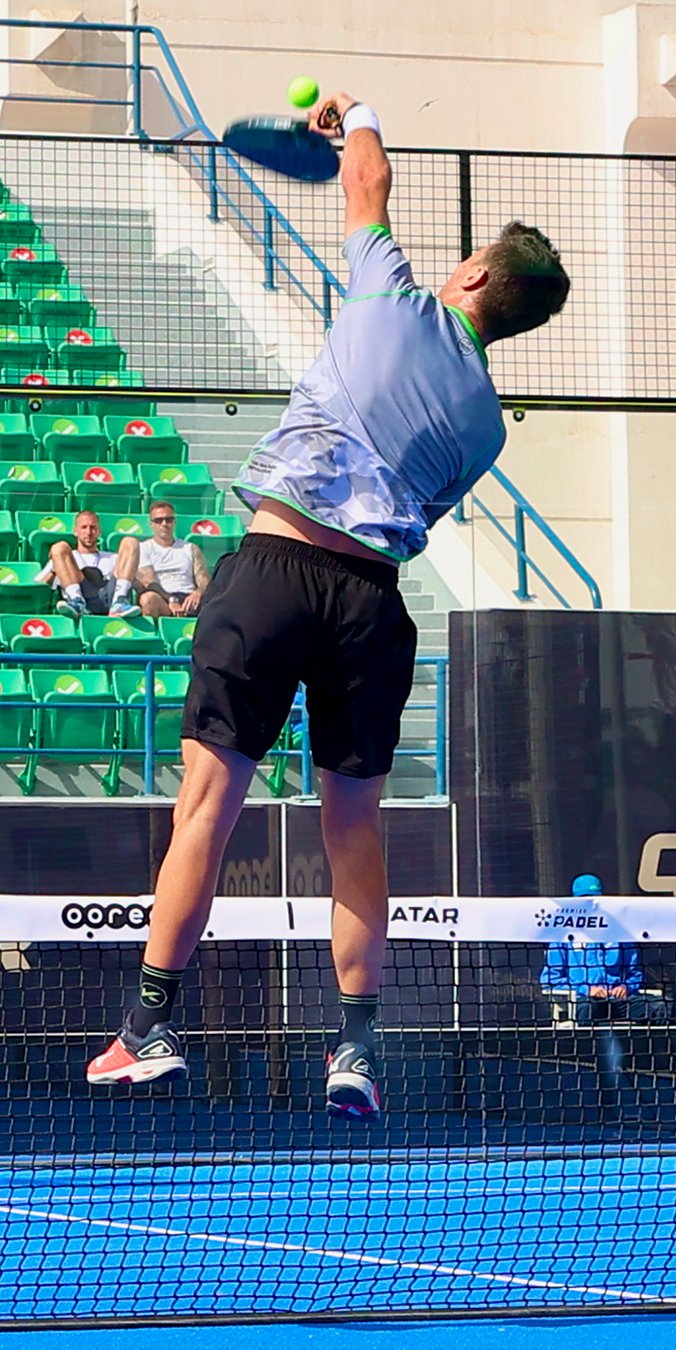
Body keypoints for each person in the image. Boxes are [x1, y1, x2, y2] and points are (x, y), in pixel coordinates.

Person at [86, 89, 570, 1119]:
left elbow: (366, 180)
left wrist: (358, 113)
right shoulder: (488, 428)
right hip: (372, 604)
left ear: (477, 274)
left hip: (272, 570)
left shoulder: (393, 296)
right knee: (355, 826)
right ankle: (355, 1050)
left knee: (208, 808)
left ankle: (148, 1027)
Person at [540, 874, 656, 1023]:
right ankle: (586, 1046)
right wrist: (586, 990)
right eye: (585, 899)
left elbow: (635, 974)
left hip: (619, 1001)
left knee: (659, 1006)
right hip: (586, 1000)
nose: (590, 903)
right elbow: (550, 979)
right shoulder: (562, 935)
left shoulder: (620, 931)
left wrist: (625, 987)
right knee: (586, 1009)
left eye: (594, 898)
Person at [37, 509, 140, 619]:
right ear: (75, 531)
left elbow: (137, 582)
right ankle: (77, 601)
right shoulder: (64, 557)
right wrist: (55, 569)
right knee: (59, 547)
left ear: (99, 531)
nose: (89, 532)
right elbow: (40, 586)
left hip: (110, 594)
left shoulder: (112, 557)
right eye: (84, 527)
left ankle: (120, 601)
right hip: (82, 593)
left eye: (93, 527)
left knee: (130, 541)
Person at [136, 502, 211, 618]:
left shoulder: (190, 548)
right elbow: (149, 582)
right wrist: (171, 600)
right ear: (151, 524)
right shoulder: (144, 548)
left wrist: (198, 593)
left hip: (188, 598)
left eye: (169, 520)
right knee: (148, 599)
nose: (164, 524)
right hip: (163, 598)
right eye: (158, 520)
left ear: (175, 522)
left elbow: (204, 580)